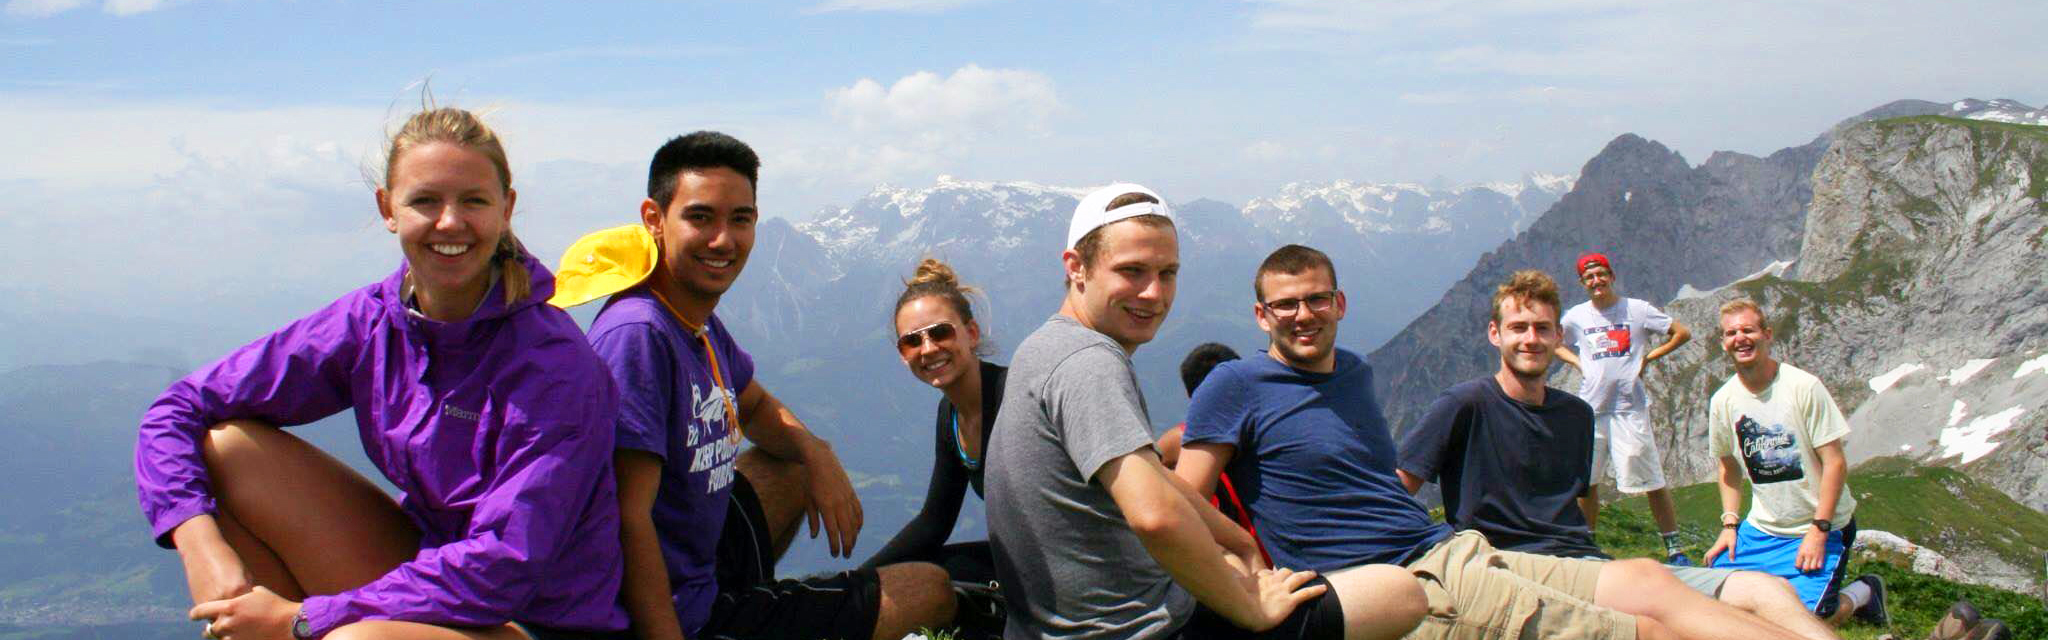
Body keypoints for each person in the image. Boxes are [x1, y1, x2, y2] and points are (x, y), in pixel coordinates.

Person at [135, 106, 630, 640]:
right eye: (425, 201)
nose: (449, 222)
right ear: (387, 208)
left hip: (534, 621)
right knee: (228, 448)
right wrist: (196, 542)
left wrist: (303, 620)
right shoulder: (371, 321)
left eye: (473, 201)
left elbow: (505, 565)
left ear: (506, 208)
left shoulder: (554, 367)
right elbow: (179, 407)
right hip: (429, 577)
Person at [1175, 255, 1841, 640]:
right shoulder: (1234, 383)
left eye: (1316, 299)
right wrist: (1242, 567)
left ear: (1340, 303)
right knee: (1649, 633)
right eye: (1285, 305)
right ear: (1261, 316)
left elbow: (1376, 480)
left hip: (1454, 549)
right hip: (1403, 579)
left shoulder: (1353, 371)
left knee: (1645, 579)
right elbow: (1183, 494)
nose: (1303, 314)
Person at [984, 186, 1427, 640]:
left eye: (1167, 273)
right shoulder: (1089, 363)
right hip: (1141, 629)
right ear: (1076, 267)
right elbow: (1154, 515)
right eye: (1132, 271)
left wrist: (1238, 545)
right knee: (1399, 592)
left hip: (1063, 623)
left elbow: (1161, 482)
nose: (1153, 293)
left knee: (1236, 566)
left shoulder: (1044, 347)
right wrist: (1250, 607)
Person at [559, 131, 954, 640]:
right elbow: (624, 517)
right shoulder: (639, 336)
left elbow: (756, 405)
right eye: (701, 218)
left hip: (701, 562)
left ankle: (754, 600)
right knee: (930, 590)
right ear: (654, 221)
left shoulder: (691, 318)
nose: (724, 240)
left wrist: (816, 453)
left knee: (786, 462)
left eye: (740, 219)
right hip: (672, 611)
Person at [1395, 274, 1839, 640]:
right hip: (1507, 568)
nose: (1531, 339)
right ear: (1496, 334)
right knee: (1663, 615)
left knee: (1763, 588)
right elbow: (1399, 486)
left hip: (1585, 565)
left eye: (1542, 328)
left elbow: (1582, 499)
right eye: (1518, 328)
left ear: (1559, 337)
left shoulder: (1575, 415)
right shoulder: (1465, 404)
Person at [1703, 299, 1887, 628]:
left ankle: (1863, 594)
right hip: (1761, 530)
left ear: (1767, 335)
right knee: (1711, 608)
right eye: (1731, 333)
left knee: (1799, 623)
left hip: (1817, 526)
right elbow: (1728, 468)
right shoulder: (1723, 401)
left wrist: (1819, 529)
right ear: (1723, 343)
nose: (1740, 338)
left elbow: (1835, 464)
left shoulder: (1803, 387)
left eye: (1748, 330)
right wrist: (1729, 526)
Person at [859, 258, 1009, 637]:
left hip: (1066, 568)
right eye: (912, 341)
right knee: (921, 575)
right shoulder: (952, 415)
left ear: (971, 333)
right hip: (1020, 560)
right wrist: (854, 584)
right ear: (902, 354)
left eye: (940, 332)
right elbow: (934, 522)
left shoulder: (1012, 398)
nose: (927, 349)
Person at [1553, 252, 1693, 563]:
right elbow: (1553, 341)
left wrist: (1648, 358)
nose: (1596, 281)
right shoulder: (1576, 316)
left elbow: (1681, 333)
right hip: (1590, 408)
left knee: (1652, 480)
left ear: (1611, 276)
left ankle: (1675, 548)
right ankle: (1586, 546)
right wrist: (1577, 362)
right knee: (1586, 482)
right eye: (1589, 277)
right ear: (1582, 282)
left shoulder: (1637, 310)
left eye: (1601, 274)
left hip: (1630, 407)